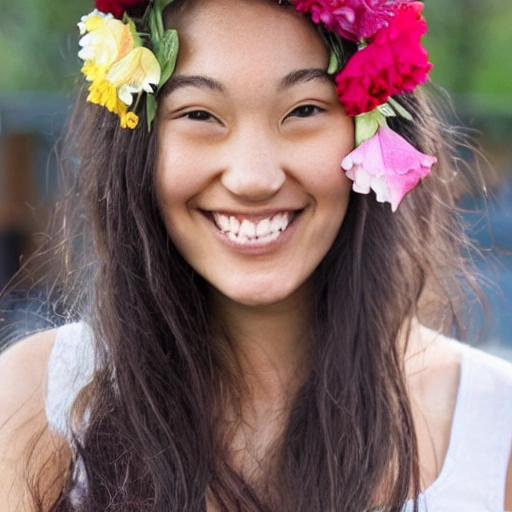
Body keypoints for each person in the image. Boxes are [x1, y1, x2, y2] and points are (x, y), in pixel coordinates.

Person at [0, 0, 511, 510]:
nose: (253, 179)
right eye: (199, 114)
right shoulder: (38, 403)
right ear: (137, 143)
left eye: (305, 110)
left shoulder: (494, 429)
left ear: (374, 126)